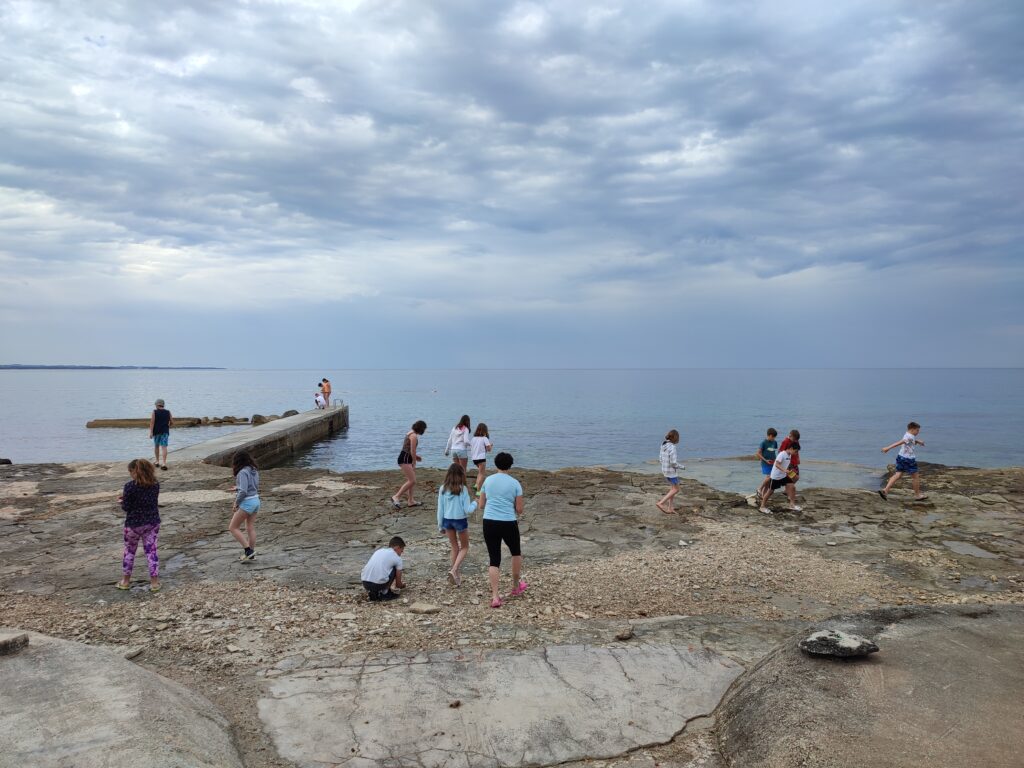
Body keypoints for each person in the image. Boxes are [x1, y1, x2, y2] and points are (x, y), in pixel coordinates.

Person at [479, 451, 527, 608]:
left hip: (489, 522)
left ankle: (495, 597)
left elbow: (481, 505)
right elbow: (519, 509)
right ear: (510, 465)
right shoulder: (515, 483)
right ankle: (515, 586)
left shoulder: (488, 480)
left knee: (494, 559)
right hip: (508, 522)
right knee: (516, 552)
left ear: (496, 464)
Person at [116, 458, 162, 592]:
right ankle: (154, 583)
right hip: (152, 522)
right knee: (151, 552)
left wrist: (122, 501)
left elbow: (127, 507)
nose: (130, 475)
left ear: (134, 471)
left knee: (129, 552)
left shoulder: (129, 486)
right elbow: (150, 501)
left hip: (133, 524)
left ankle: (125, 582)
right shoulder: (155, 484)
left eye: (130, 472)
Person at [437, 463, 477, 586]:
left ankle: (456, 576)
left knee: (454, 547)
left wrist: (440, 525)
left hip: (447, 520)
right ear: (461, 475)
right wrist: (475, 502)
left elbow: (440, 509)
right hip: (460, 521)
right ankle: (454, 570)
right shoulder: (462, 489)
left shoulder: (443, 488)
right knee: (464, 547)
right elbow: (468, 510)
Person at [879, 421, 927, 501]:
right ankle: (918, 495)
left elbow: (909, 441)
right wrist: (887, 448)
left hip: (901, 457)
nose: (918, 432)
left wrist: (918, 441)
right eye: (917, 430)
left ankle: (885, 490)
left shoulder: (908, 434)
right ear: (912, 429)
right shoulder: (910, 437)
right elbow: (900, 442)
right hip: (908, 459)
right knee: (915, 477)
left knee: (898, 475)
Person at [228, 451, 260, 561]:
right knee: (250, 527)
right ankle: (251, 555)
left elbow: (244, 491)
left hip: (247, 502)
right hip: (256, 500)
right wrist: (238, 487)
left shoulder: (242, 472)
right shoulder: (253, 469)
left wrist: (236, 503)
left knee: (233, 528)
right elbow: (252, 486)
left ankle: (248, 550)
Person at [760, 442, 801, 514]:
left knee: (792, 487)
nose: (796, 453)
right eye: (796, 451)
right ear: (791, 448)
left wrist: (792, 473)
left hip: (783, 476)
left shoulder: (789, 455)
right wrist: (785, 470)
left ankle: (792, 505)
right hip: (775, 477)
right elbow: (777, 464)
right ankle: (762, 507)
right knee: (770, 492)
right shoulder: (782, 454)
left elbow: (786, 465)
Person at [392, 420, 426, 508]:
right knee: (412, 480)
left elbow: (407, 448)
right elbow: (412, 450)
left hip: (405, 457)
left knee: (411, 480)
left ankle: (411, 501)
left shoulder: (410, 433)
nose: (424, 431)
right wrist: (414, 461)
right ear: (421, 428)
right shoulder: (413, 436)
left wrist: (416, 457)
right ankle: (396, 496)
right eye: (424, 429)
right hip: (405, 459)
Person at [361, 536, 406, 601]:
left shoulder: (379, 551)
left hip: (365, 583)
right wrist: (402, 585)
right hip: (378, 584)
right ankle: (385, 593)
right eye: (402, 550)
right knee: (395, 568)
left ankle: (374, 592)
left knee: (382, 568)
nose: (402, 552)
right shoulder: (397, 558)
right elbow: (398, 585)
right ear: (398, 547)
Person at [657, 429, 684, 514]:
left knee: (673, 489)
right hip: (671, 472)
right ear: (676, 438)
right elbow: (673, 463)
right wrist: (682, 467)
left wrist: (665, 466)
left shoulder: (663, 444)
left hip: (665, 470)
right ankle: (661, 503)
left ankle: (670, 508)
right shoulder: (672, 447)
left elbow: (660, 458)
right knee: (676, 489)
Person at [149, 399, 173, 471]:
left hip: (157, 432)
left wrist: (151, 432)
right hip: (165, 432)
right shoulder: (168, 412)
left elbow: (152, 423)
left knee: (156, 446)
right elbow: (172, 422)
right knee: (164, 447)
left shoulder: (154, 412)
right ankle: (164, 463)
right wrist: (168, 426)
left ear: (157, 405)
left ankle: (157, 461)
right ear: (163, 405)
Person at [755, 428, 779, 499]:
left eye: (775, 437)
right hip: (765, 463)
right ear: (770, 435)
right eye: (773, 437)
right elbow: (758, 453)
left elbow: (774, 452)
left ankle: (763, 495)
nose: (774, 439)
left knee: (769, 481)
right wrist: (765, 460)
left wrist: (777, 460)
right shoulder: (763, 443)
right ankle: (759, 488)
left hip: (773, 463)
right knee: (769, 477)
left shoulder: (775, 442)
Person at [469, 423, 493, 493]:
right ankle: (478, 491)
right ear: (485, 431)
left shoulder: (473, 439)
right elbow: (489, 449)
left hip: (474, 459)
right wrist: (490, 446)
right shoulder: (484, 438)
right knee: (482, 474)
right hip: (481, 458)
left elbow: (474, 448)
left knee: (480, 472)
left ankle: (476, 485)